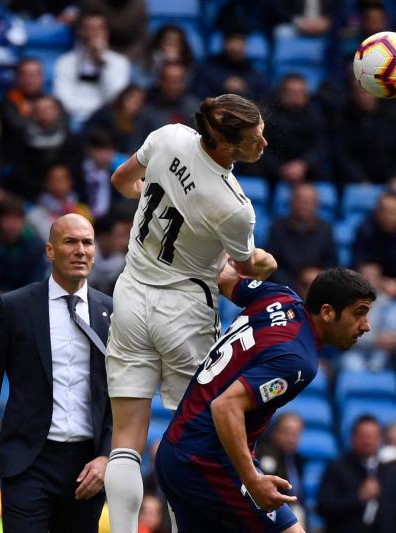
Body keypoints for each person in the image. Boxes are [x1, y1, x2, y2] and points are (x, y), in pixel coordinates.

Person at [104, 94, 277, 533]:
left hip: (130, 293)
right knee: (193, 441)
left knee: (126, 439)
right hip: (184, 310)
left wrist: (161, 206)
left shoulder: (168, 136)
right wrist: (267, 262)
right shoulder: (234, 206)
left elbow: (122, 180)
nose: (265, 143)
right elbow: (243, 266)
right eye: (256, 138)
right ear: (227, 145)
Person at [156, 266, 376, 532]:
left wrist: (249, 257)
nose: (366, 326)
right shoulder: (298, 361)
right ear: (328, 312)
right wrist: (252, 480)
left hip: (176, 449)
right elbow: (225, 406)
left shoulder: (280, 297)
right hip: (206, 459)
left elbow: (223, 276)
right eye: (359, 313)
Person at [0, 214, 113, 532]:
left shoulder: (112, 311)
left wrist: (107, 456)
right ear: (50, 251)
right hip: (28, 462)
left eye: (87, 242)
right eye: (70, 242)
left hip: (88, 466)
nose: (80, 250)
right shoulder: (15, 307)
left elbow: (121, 394)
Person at [317, 415, 396, 533]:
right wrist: (358, 497)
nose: (368, 441)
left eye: (373, 436)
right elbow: (324, 506)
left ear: (380, 439)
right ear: (353, 437)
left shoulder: (390, 473)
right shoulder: (337, 468)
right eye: (364, 436)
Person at [53, 9, 130, 127]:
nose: (92, 33)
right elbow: (62, 99)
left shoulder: (120, 62)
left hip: (106, 120)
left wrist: (102, 62)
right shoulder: (65, 61)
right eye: (88, 28)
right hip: (73, 118)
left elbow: (115, 97)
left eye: (98, 28)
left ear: (106, 32)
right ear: (79, 31)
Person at [332, 79, 396, 185]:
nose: (364, 96)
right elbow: (342, 155)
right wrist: (360, 179)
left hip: (392, 178)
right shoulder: (343, 119)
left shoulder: (394, 116)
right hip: (356, 181)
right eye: (359, 92)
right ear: (353, 95)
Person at [340, 263, 396, 372]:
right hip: (355, 354)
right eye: (364, 278)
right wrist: (375, 340)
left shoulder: (394, 307)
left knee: (383, 361)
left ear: (381, 281)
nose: (369, 282)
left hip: (384, 356)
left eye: (373, 277)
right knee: (351, 364)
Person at [266, 183, 338, 287]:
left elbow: (332, 264)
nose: (304, 204)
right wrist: (294, 285)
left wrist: (319, 276)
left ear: (316, 205)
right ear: (291, 202)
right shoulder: (277, 228)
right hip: (284, 287)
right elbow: (271, 264)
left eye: (309, 201)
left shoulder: (325, 229)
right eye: (300, 200)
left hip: (315, 287)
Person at [258, 74, 325, 185]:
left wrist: (303, 164)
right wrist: (280, 168)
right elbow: (261, 146)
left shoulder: (315, 116)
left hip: (306, 169)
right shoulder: (267, 116)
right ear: (281, 94)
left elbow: (319, 145)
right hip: (271, 171)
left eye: (300, 93)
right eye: (291, 93)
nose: (296, 97)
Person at [352, 191, 396, 298]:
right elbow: (356, 262)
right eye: (383, 211)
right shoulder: (365, 230)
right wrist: (365, 272)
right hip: (369, 289)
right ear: (377, 212)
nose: (387, 216)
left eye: (393, 212)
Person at [256, 413, 307, 527]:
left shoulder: (298, 460)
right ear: (275, 432)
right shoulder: (266, 455)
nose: (291, 438)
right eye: (286, 432)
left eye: (296, 434)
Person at [192, 28, 267, 101]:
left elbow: (261, 101)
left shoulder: (253, 73)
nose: (236, 47)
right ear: (224, 43)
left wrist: (244, 90)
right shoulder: (207, 69)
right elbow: (198, 97)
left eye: (240, 41)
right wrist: (223, 86)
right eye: (232, 41)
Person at [133, 61, 200, 142]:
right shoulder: (147, 113)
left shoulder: (195, 109)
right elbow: (136, 147)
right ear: (160, 81)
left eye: (178, 80)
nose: (173, 86)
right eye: (169, 80)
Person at [27, 164, 93, 242]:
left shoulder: (82, 211)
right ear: (47, 183)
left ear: (70, 182)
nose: (61, 182)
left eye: (65, 178)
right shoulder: (34, 215)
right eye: (55, 179)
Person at [88, 214, 131, 297]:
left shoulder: (125, 265)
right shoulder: (82, 258)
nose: (125, 242)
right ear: (103, 238)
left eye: (125, 236)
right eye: (119, 236)